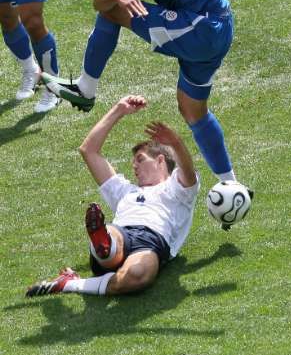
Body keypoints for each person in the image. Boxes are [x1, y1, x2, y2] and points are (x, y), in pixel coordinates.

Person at [41, 0, 291, 178]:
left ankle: (86, 89)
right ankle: (230, 185)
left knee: (112, 13)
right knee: (192, 109)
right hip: (213, 32)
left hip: (202, 27)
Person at [26, 95, 200, 297]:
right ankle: (104, 243)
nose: (133, 165)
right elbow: (89, 150)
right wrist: (118, 109)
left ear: (160, 161)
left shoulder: (177, 189)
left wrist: (176, 143)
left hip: (153, 241)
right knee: (111, 243)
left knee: (137, 275)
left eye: (140, 159)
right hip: (122, 232)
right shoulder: (125, 191)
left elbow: (187, 171)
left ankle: (71, 282)